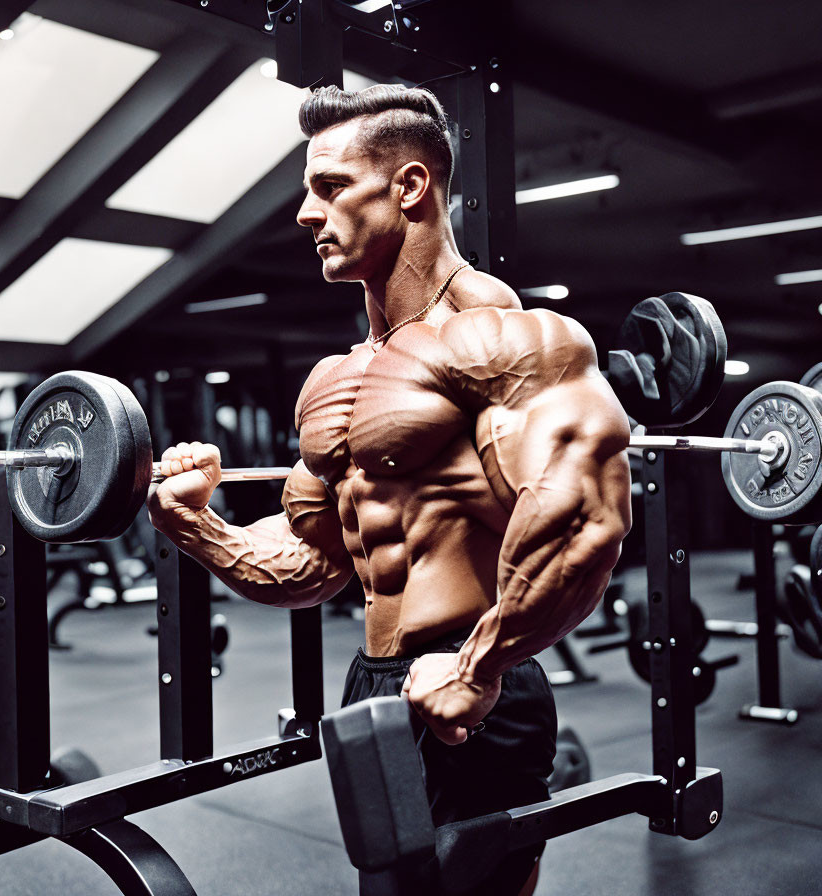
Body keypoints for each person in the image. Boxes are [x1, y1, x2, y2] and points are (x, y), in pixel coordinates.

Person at [147, 84, 632, 895]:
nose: (306, 213)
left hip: (479, 682)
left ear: (409, 187)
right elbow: (318, 560)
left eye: (330, 187)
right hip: (372, 685)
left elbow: (585, 519)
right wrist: (197, 526)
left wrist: (479, 668)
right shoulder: (338, 379)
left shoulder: (507, 340)